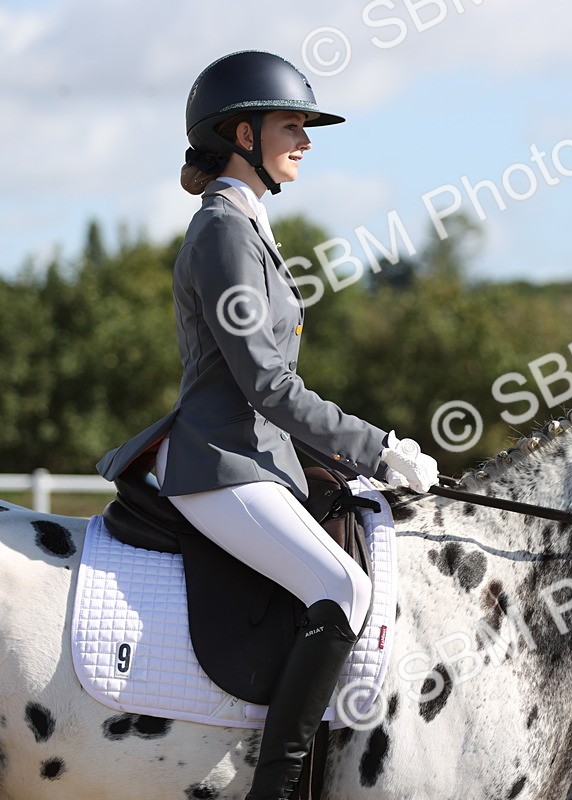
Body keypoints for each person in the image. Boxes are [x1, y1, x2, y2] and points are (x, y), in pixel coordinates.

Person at [95, 50, 436, 799]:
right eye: (292, 125)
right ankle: (275, 787)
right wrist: (375, 447)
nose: (306, 141)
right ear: (241, 134)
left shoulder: (249, 228)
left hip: (261, 456)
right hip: (220, 463)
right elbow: (267, 383)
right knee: (341, 587)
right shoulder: (222, 230)